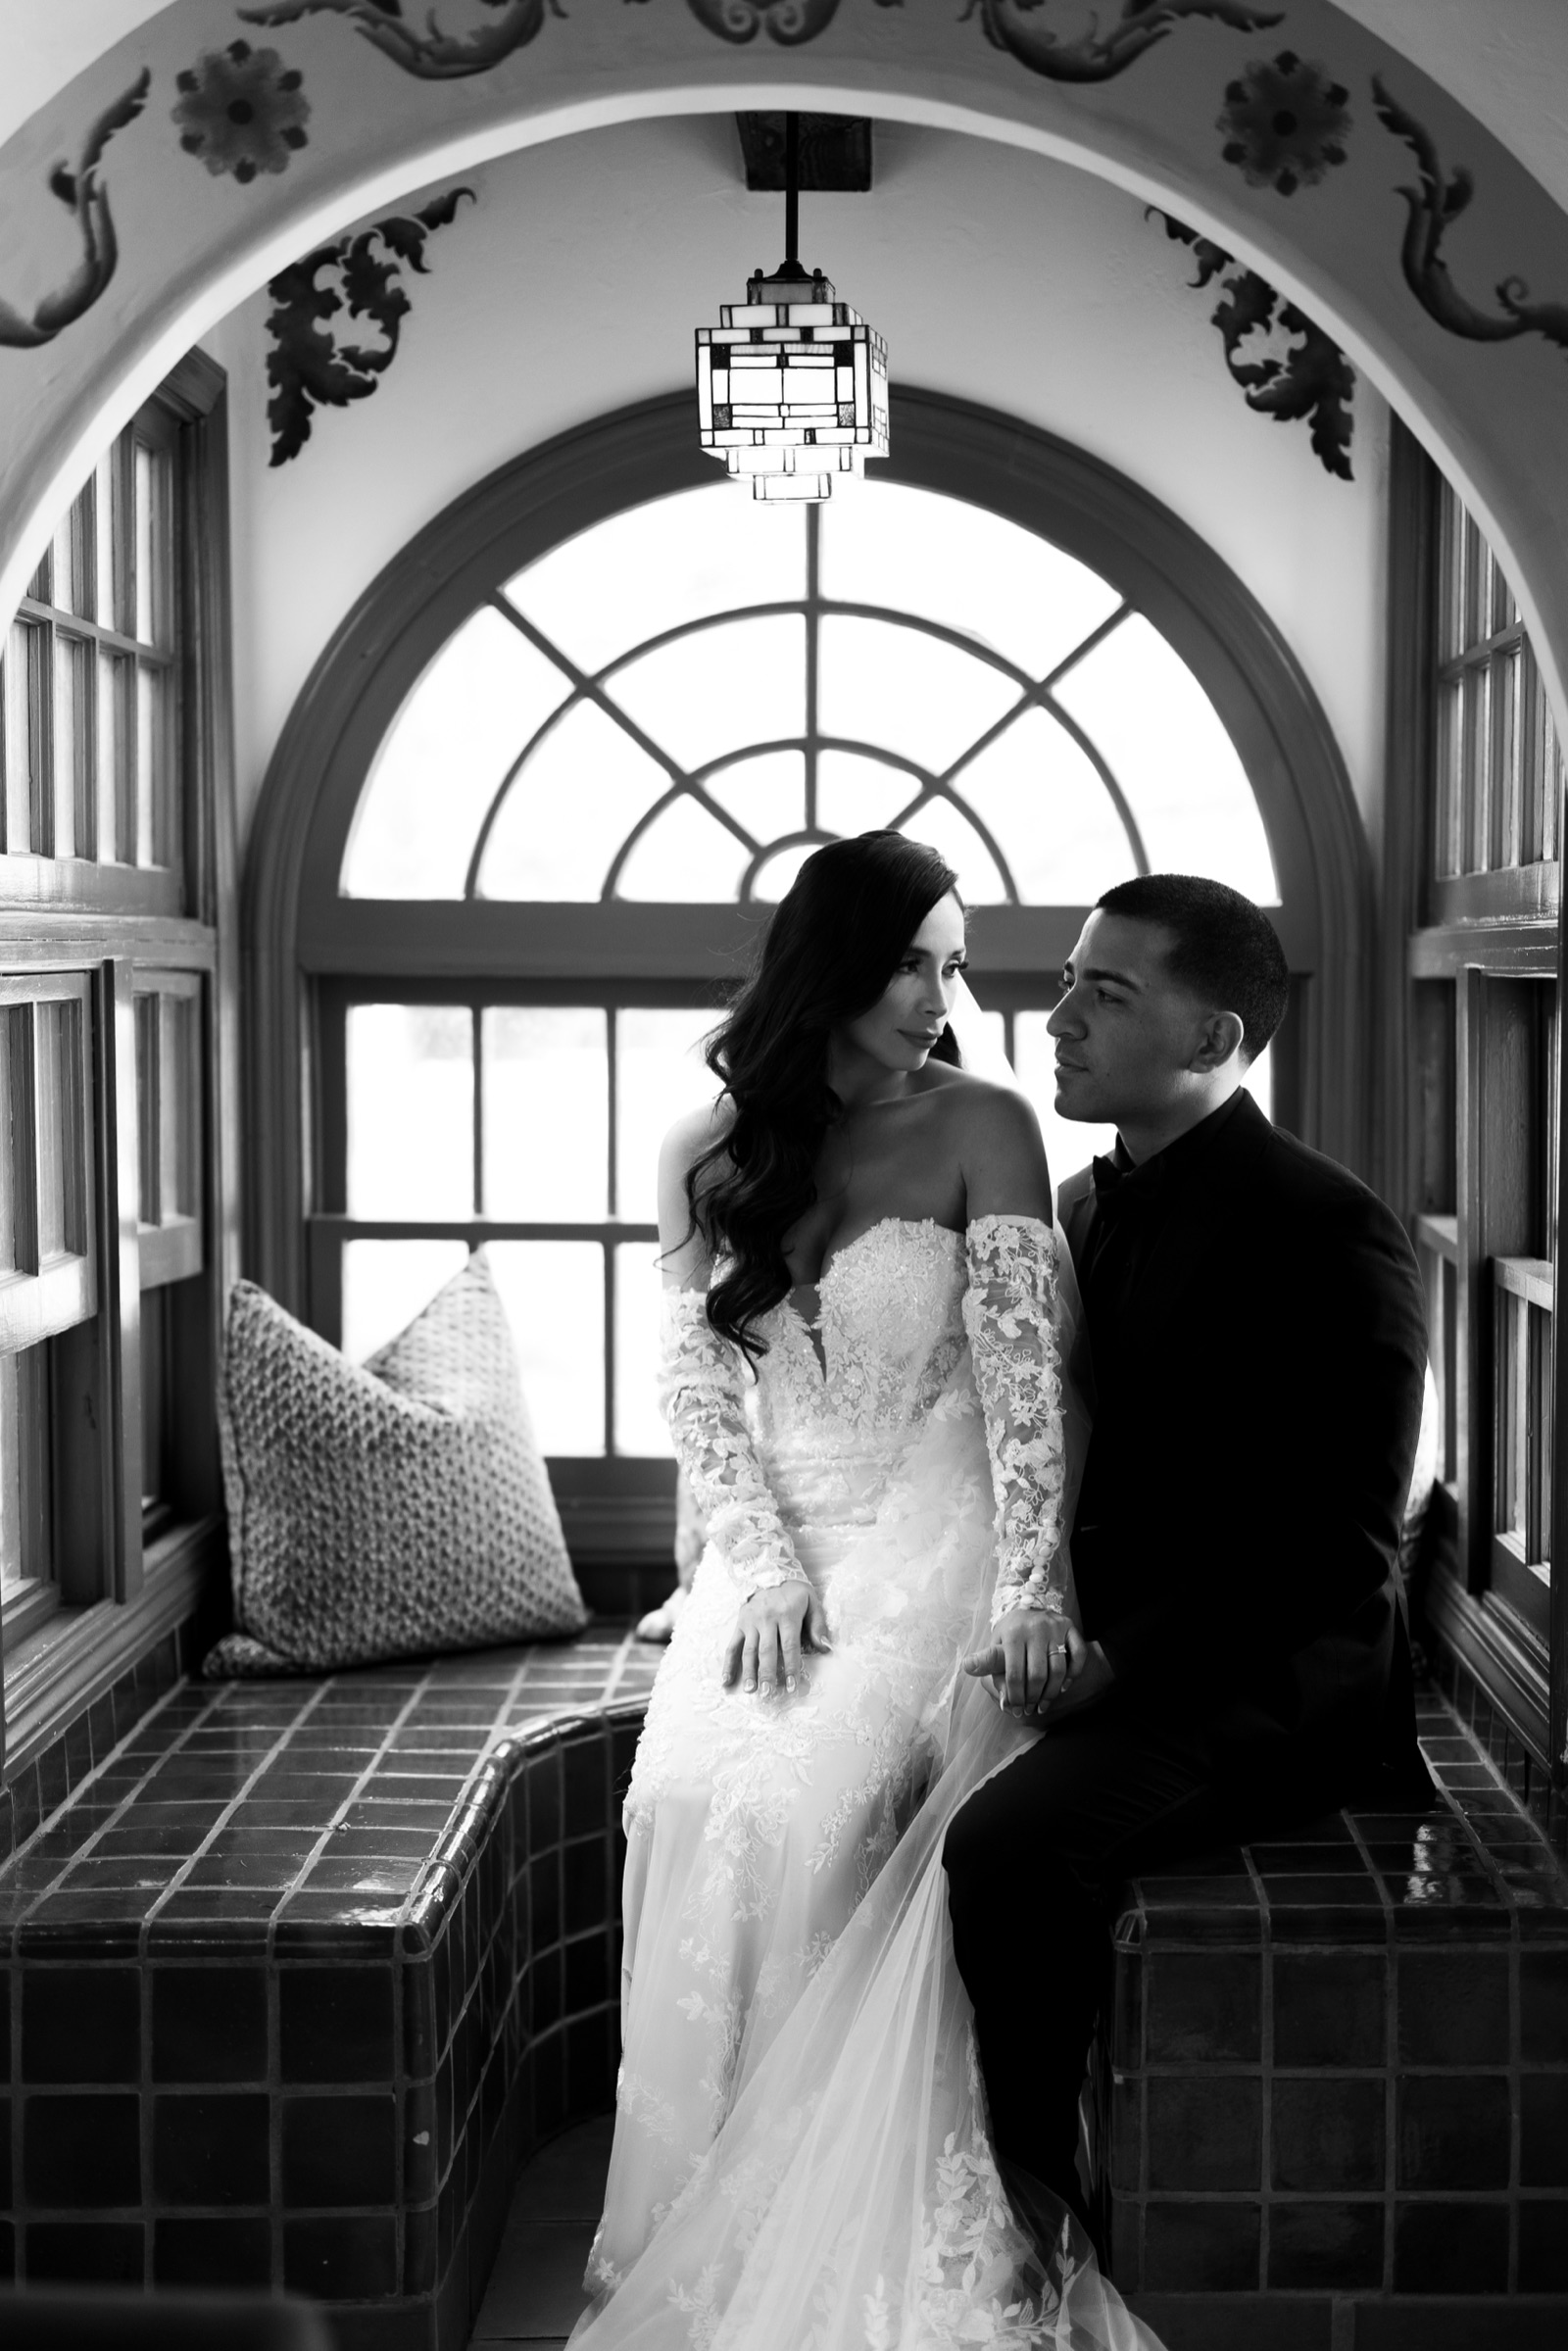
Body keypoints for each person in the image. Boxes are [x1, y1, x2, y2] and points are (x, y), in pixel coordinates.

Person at [577, 832, 1158, 2349]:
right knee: (688, 1798)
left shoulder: (984, 1122)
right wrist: (755, 1559)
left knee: (806, 1802)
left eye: (956, 962)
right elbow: (697, 1374)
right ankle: (710, 2202)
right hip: (783, 1544)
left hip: (940, 1524)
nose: (944, 992)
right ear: (831, 965)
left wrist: (1032, 1586)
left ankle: (838, 2211)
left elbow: (1032, 1385)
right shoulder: (705, 1143)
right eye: (915, 959)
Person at [945, 873, 1430, 2241]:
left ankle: (1041, 2201)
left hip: (1272, 1677)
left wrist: (1118, 1664)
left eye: (1108, 992)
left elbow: (1336, 1542)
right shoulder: (1090, 1211)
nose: (1061, 1019)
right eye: (1065, 984)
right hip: (1114, 1639)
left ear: (1214, 1040)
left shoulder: (1329, 1232)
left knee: (1007, 1848)